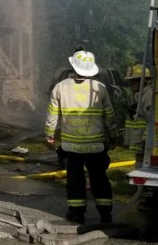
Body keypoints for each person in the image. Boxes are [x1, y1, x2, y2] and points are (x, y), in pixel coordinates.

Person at [44, 50, 118, 225]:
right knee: (100, 178)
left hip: (71, 147)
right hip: (96, 146)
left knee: (75, 180)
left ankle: (77, 214)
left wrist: (49, 135)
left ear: (73, 66)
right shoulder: (99, 88)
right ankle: (105, 215)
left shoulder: (60, 87)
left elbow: (52, 114)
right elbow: (109, 115)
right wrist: (114, 136)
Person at [123, 65, 153, 164]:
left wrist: (146, 140)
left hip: (144, 142)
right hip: (138, 141)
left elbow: (151, 121)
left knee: (144, 163)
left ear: (143, 81)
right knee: (139, 161)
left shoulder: (148, 96)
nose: (131, 84)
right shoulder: (138, 95)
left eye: (133, 81)